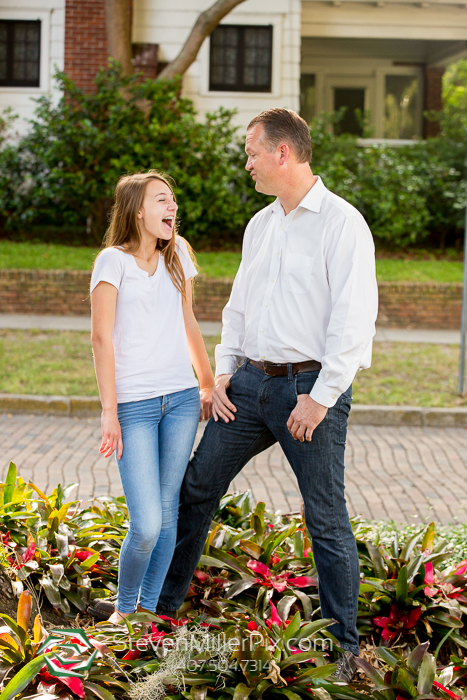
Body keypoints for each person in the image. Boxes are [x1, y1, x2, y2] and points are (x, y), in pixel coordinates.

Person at [156, 109, 378, 680]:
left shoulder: (341, 223)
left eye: (253, 151)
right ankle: (159, 616)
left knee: (325, 518)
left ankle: (345, 650)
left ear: (283, 153)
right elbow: (239, 307)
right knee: (196, 488)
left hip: (310, 392)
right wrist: (225, 372)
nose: (247, 161)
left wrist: (323, 396)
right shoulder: (262, 224)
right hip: (249, 387)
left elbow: (354, 321)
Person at [89, 170, 214, 624]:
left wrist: (206, 382)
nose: (172, 207)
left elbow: (189, 321)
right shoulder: (112, 262)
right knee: (145, 526)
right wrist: (109, 412)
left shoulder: (177, 253)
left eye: (173, 200)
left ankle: (145, 614)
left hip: (180, 401)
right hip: (134, 408)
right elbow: (101, 339)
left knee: (167, 517)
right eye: (162, 200)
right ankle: (123, 613)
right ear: (138, 211)